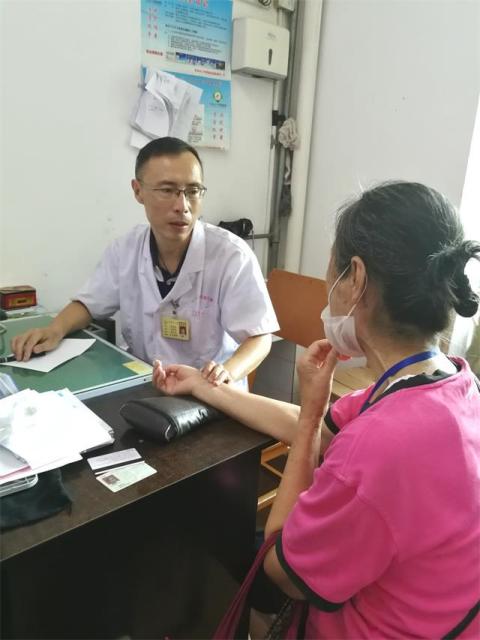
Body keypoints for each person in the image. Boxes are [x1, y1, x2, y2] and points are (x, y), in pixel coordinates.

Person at [152, 181, 480, 639]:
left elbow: (279, 564)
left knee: (221, 541)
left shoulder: (380, 445)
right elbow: (314, 428)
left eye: (332, 273)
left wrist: (309, 415)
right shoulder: (451, 384)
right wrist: (203, 387)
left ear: (356, 278)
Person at [11, 137, 279, 387]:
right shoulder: (126, 250)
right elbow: (89, 304)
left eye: (193, 191)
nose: (182, 206)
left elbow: (259, 336)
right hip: (145, 383)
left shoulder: (231, 256)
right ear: (138, 191)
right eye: (167, 190)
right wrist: (55, 330)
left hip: (209, 392)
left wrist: (227, 373)